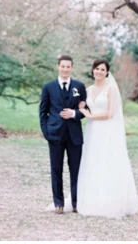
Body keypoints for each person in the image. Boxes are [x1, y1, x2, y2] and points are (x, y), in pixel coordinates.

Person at [75, 58, 138, 219]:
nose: (99, 72)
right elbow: (82, 105)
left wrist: (90, 115)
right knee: (93, 161)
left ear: (107, 72)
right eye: (97, 69)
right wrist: (81, 108)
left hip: (106, 130)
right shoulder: (88, 90)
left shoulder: (110, 89)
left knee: (107, 161)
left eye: (102, 69)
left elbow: (111, 112)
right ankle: (91, 200)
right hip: (92, 131)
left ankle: (111, 202)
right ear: (93, 70)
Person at [39, 54, 87, 214]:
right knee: (56, 169)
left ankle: (75, 203)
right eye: (63, 66)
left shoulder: (79, 87)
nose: (65, 69)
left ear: (72, 67)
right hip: (55, 135)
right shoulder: (48, 87)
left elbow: (86, 110)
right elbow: (43, 111)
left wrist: (74, 113)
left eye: (68, 66)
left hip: (74, 136)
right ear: (58, 66)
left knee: (76, 170)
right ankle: (58, 203)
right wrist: (47, 132)